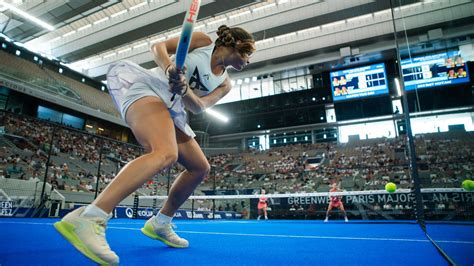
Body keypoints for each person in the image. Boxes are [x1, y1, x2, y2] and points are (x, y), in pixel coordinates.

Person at [54, 25, 256, 265]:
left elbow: (198, 107)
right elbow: (158, 47)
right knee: (165, 153)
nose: (249, 60)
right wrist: (169, 67)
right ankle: (91, 217)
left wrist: (184, 90)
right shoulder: (203, 41)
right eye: (248, 54)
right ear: (237, 46)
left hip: (175, 109)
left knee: (200, 168)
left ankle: (160, 223)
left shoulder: (226, 83)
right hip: (148, 91)